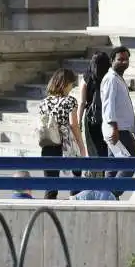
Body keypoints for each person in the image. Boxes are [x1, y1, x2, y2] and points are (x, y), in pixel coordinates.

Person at [38, 68, 86, 200]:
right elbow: (73, 125)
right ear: (65, 84)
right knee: (76, 178)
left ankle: (47, 214)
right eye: (72, 84)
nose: (72, 87)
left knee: (50, 185)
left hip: (48, 143)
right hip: (66, 143)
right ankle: (75, 206)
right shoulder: (70, 101)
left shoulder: (43, 102)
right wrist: (81, 146)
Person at [100, 46, 135, 194]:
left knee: (114, 165)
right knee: (131, 163)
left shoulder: (117, 78)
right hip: (117, 129)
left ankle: (106, 195)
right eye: (120, 59)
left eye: (126, 59)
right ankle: (111, 193)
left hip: (121, 128)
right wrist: (114, 128)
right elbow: (108, 105)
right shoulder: (111, 79)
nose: (124, 62)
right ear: (112, 61)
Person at [78, 51, 111, 158]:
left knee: (94, 150)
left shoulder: (86, 78)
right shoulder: (111, 77)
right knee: (107, 149)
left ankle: (96, 173)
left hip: (91, 117)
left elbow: (82, 102)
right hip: (108, 117)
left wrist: (79, 122)